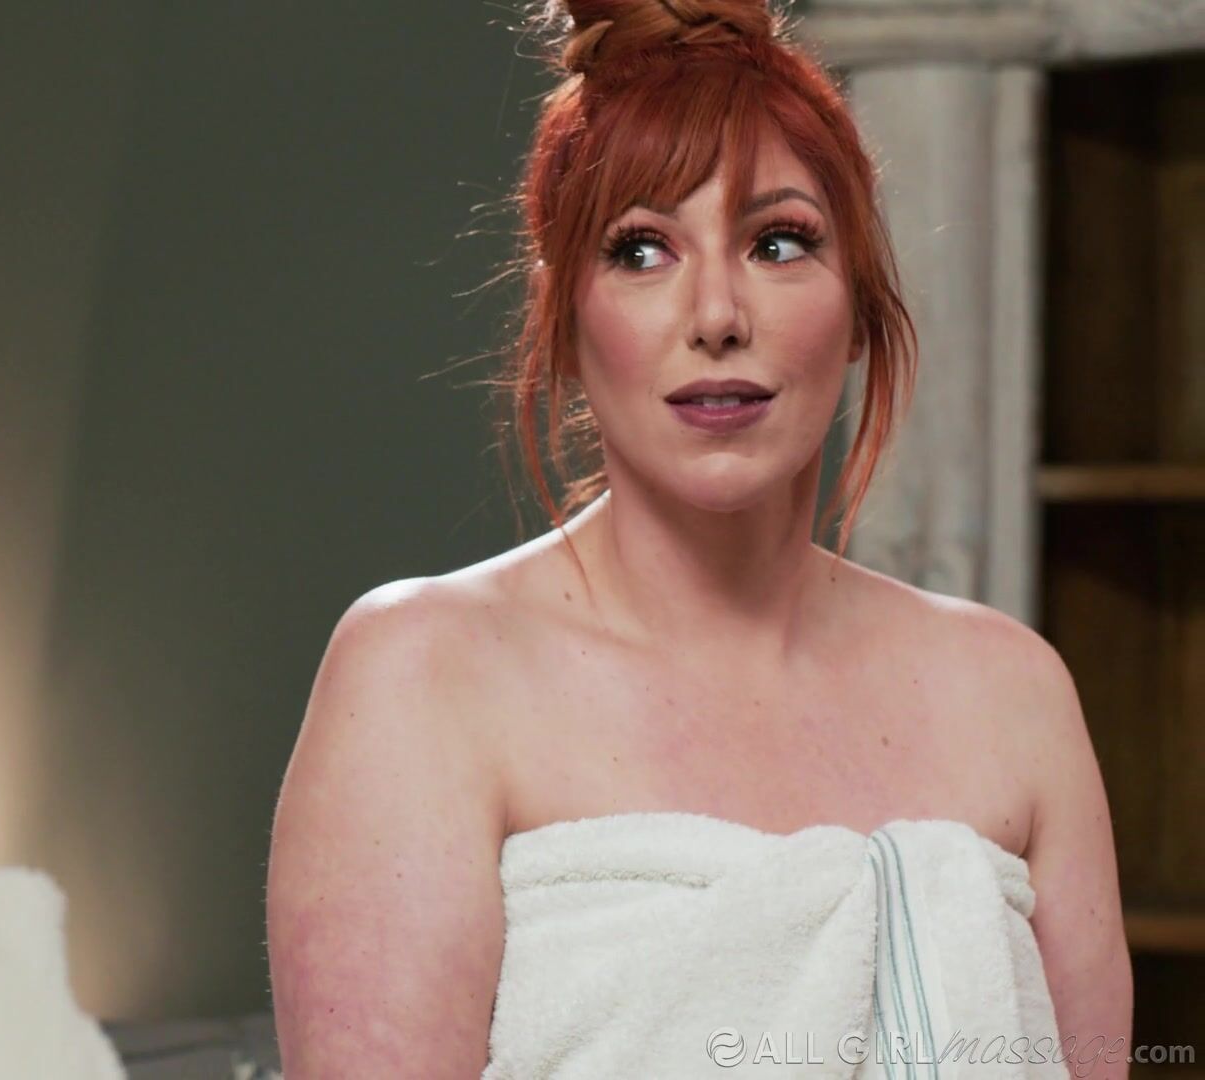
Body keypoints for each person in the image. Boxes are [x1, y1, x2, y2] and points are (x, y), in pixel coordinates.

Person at [264, 0, 1133, 1076]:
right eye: (641, 250)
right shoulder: (425, 675)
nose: (717, 314)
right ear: (564, 320)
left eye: (778, 242)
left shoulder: (1014, 695)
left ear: (860, 304)